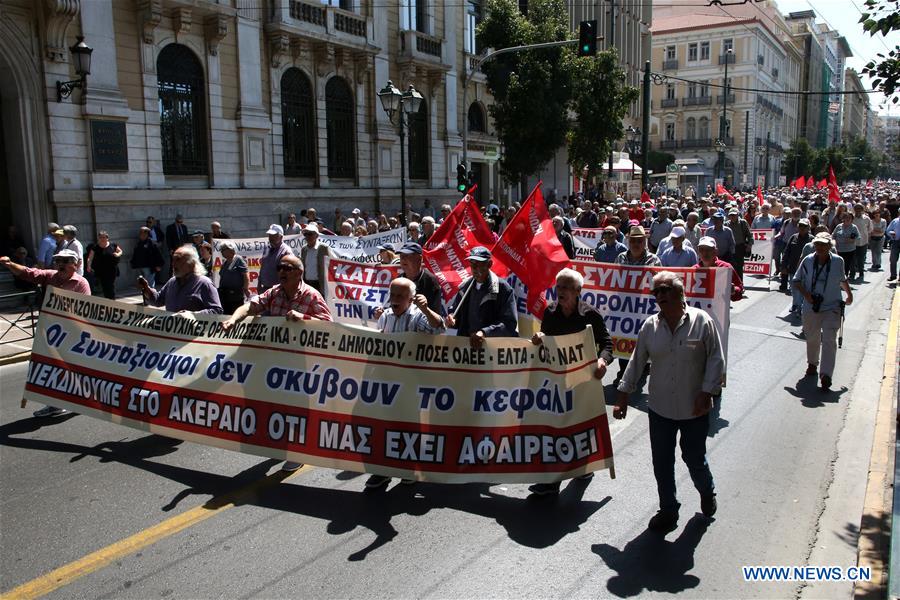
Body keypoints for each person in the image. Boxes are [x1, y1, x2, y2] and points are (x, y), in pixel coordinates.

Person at [614, 271, 725, 532]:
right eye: (656, 292)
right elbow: (636, 361)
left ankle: (707, 492)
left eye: (665, 290)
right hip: (660, 408)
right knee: (662, 461)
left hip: (694, 408)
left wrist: (707, 391)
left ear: (679, 292)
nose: (660, 296)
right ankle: (668, 509)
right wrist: (623, 395)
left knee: (694, 457)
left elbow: (716, 360)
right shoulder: (650, 326)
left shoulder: (702, 321)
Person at [222, 253, 331, 471]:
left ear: (299, 273)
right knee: (278, 405)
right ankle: (282, 445)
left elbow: (329, 327)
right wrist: (233, 319)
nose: (281, 271)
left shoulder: (312, 296)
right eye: (280, 267)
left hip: (302, 363)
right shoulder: (274, 292)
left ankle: (297, 451)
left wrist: (305, 319)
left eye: (287, 268)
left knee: (298, 407)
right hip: (276, 362)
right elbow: (251, 306)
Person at [528, 268, 614, 496]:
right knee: (556, 428)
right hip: (556, 381)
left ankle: (582, 467)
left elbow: (607, 345)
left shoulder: (590, 315)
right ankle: (551, 482)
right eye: (559, 287)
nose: (561, 292)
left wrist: (602, 362)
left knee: (578, 427)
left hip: (583, 383)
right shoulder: (551, 312)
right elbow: (545, 339)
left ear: (578, 291)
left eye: (566, 287)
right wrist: (539, 339)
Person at [364, 277, 445, 489]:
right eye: (393, 295)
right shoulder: (385, 317)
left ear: (411, 299)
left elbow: (438, 328)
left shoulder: (417, 317)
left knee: (409, 428)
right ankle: (383, 471)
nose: (395, 300)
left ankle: (409, 468)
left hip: (411, 383)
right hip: (387, 382)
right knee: (383, 427)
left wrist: (426, 310)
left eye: (401, 296)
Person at [1, 248, 90, 418]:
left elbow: (86, 311)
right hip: (50, 333)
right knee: (51, 368)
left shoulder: (81, 283)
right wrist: (9, 264)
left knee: (72, 369)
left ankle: (83, 399)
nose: (60, 265)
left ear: (75, 264)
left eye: (65, 261)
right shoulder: (50, 276)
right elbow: (28, 273)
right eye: (58, 261)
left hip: (71, 334)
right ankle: (55, 404)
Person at [792, 232, 853, 390]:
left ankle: (826, 375)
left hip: (832, 306)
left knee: (829, 340)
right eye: (817, 244)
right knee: (812, 337)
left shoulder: (838, 261)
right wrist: (807, 295)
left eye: (823, 245)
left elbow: (842, 279)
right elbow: (796, 281)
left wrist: (849, 294)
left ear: (829, 246)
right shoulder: (808, 260)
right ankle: (812, 363)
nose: (819, 247)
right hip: (811, 307)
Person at [445, 246, 517, 347]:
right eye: (472, 264)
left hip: (491, 350)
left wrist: (485, 333)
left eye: (479, 264)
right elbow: (456, 316)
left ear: (489, 264)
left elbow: (509, 324)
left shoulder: (503, 288)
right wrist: (452, 319)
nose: (474, 269)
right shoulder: (465, 287)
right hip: (466, 348)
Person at [139, 245, 222, 314]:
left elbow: (217, 310)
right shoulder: (172, 282)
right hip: (172, 332)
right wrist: (147, 290)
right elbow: (158, 300)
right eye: (173, 260)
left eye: (178, 260)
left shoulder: (204, 283)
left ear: (191, 264)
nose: (173, 264)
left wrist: (192, 315)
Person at [396, 242, 443, 314]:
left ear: (419, 259)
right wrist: (383, 313)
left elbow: (436, 317)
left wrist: (425, 308)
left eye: (407, 255)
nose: (403, 259)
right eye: (401, 256)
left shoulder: (430, 281)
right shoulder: (399, 280)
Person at [695, 237, 744, 301]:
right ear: (698, 251)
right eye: (701, 249)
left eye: (708, 250)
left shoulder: (726, 268)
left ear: (715, 251)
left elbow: (739, 290)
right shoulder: (693, 270)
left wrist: (734, 290)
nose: (704, 253)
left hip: (719, 309)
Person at [781, 219, 813, 315]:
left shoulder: (812, 239)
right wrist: (783, 265)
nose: (802, 228)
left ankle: (801, 306)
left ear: (808, 228)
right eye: (800, 226)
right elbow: (786, 252)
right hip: (793, 268)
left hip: (807, 270)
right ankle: (795, 304)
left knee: (804, 289)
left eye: (804, 226)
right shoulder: (793, 237)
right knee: (794, 288)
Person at [86, 231, 123, 299]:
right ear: (98, 238)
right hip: (101, 270)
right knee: (104, 285)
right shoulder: (95, 247)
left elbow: (120, 251)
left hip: (112, 269)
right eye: (100, 237)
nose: (102, 239)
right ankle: (108, 299)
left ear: (107, 238)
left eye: (104, 237)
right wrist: (88, 266)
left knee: (110, 285)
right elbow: (90, 258)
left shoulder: (113, 245)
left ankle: (112, 300)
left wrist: (117, 254)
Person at [299, 223, 334, 294]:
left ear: (317, 235)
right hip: (307, 284)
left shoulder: (324, 248)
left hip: (320, 284)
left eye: (310, 234)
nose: (308, 236)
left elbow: (333, 263)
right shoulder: (304, 249)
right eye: (306, 234)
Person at [217, 240, 250, 314]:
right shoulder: (225, 263)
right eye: (221, 250)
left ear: (230, 249)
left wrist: (246, 288)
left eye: (223, 249)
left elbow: (245, 274)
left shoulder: (238, 259)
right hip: (225, 295)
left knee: (235, 313)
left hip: (235, 296)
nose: (222, 252)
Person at [259, 224, 293, 294]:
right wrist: (259, 284)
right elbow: (263, 267)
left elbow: (289, 274)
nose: (270, 238)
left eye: (273, 235)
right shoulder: (267, 248)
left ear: (281, 237)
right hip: (264, 288)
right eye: (269, 235)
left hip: (279, 290)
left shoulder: (286, 251)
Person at [831, 212, 859, 280]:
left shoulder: (854, 227)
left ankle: (843, 280)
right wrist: (834, 242)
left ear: (852, 219)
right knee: (838, 265)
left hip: (849, 250)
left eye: (849, 218)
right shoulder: (839, 226)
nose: (847, 219)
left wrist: (851, 240)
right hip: (839, 249)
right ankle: (837, 279)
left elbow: (857, 236)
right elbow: (833, 235)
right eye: (846, 217)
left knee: (846, 266)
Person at [726, 209, 752, 278]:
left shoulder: (743, 223)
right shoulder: (726, 224)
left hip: (740, 247)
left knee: (739, 267)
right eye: (731, 215)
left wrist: (749, 245)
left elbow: (750, 235)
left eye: (734, 215)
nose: (732, 217)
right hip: (730, 248)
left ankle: (740, 285)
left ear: (737, 215)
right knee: (730, 267)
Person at [887, 213, 900, 283]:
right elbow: (888, 230)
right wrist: (891, 233)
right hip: (896, 241)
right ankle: (893, 275)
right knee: (893, 259)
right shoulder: (895, 221)